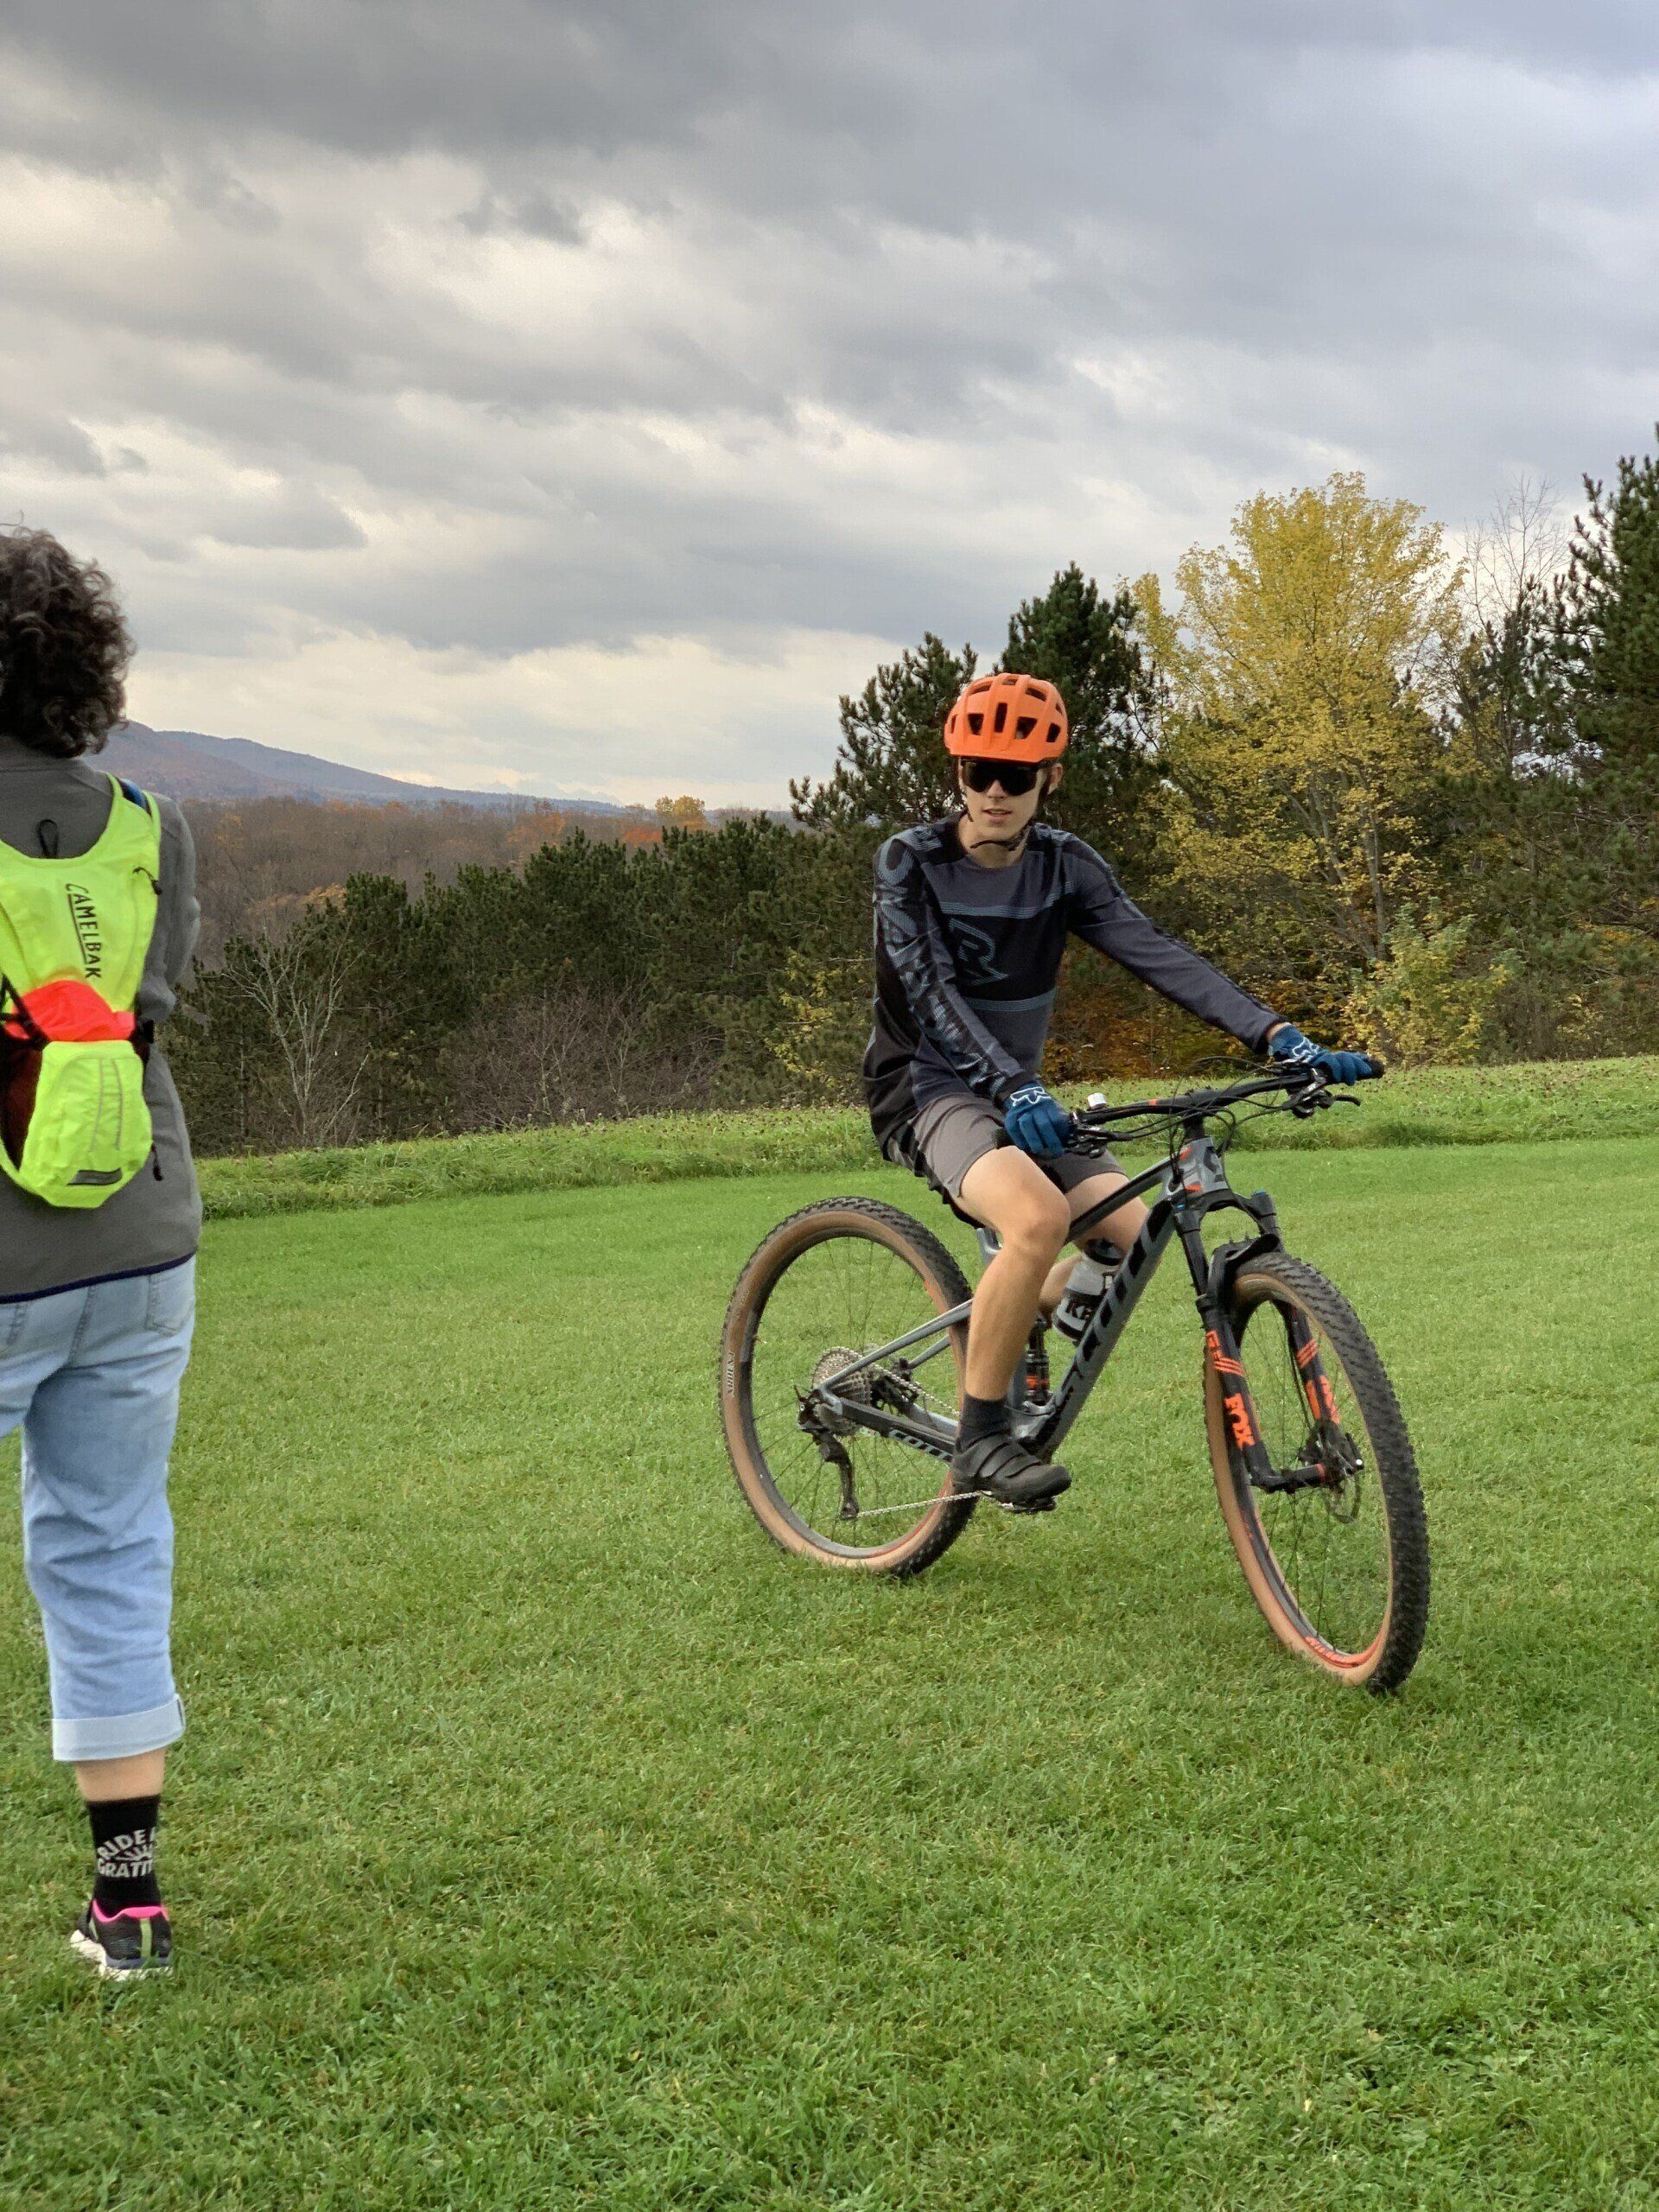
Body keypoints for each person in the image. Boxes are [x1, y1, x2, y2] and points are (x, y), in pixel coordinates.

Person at [862, 670, 1374, 1510]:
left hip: (1018, 1093)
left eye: (1016, 775)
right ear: (956, 771)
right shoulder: (910, 865)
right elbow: (933, 997)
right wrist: (1008, 1085)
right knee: (1035, 1218)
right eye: (976, 770)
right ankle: (980, 1439)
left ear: (1049, 780)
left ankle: (1015, 1307)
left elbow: (1160, 954)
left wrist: (1280, 1037)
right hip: (929, 1086)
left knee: (1133, 1237)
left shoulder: (1067, 869)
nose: (993, 791)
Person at [0, 529, 202, 1976]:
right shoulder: (152, 822)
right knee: (112, 1549)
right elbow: (147, 1019)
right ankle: (127, 1906)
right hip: (138, 1241)